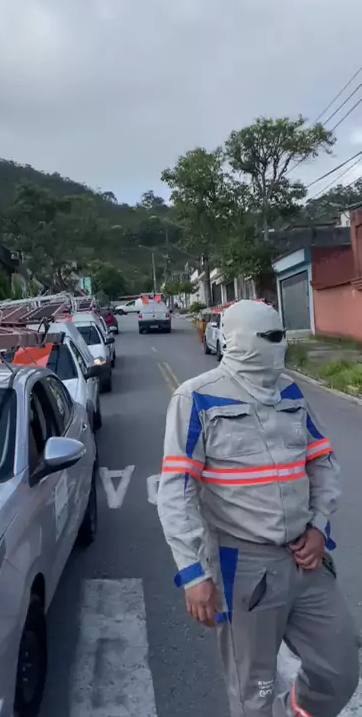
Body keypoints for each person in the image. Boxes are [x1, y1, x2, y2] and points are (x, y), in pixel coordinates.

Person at [157, 299, 359, 717]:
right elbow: (176, 490)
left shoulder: (289, 392)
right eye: (270, 336)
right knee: (254, 692)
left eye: (281, 335)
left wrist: (318, 526)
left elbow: (322, 462)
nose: (280, 344)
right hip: (244, 566)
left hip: (306, 561)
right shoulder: (196, 397)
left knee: (338, 669)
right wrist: (194, 573)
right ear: (240, 340)